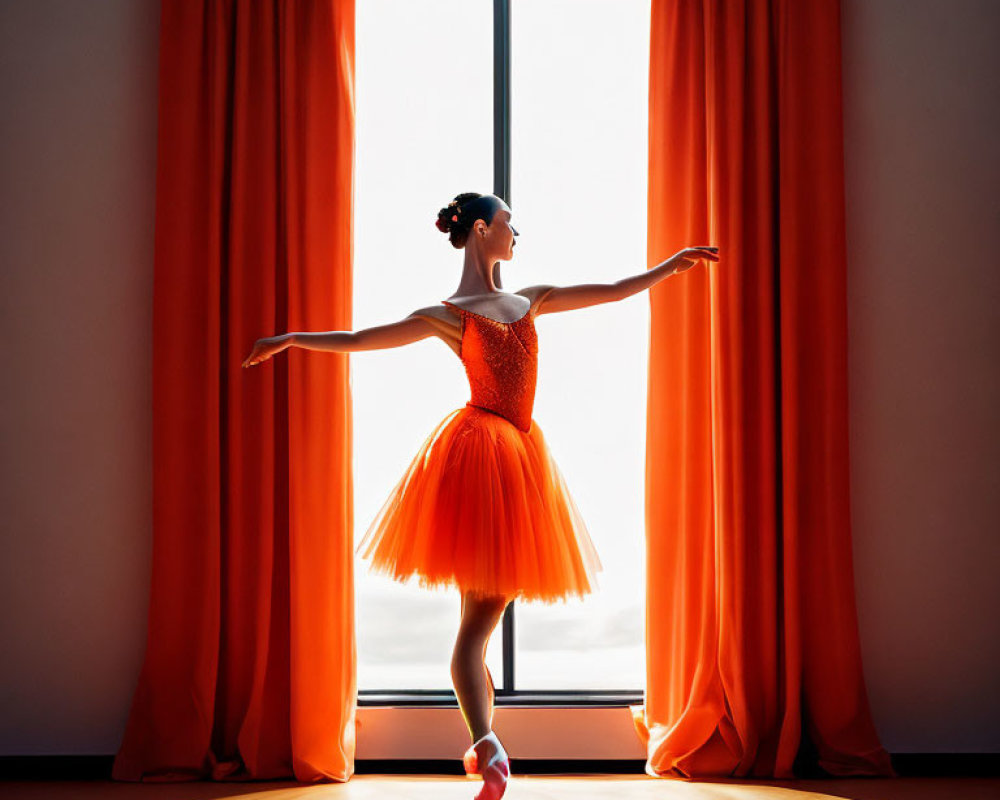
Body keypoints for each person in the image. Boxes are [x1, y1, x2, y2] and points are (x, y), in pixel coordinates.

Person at [243, 191, 719, 799]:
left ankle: (485, 747)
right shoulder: (451, 314)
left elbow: (610, 290)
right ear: (479, 230)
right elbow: (363, 338)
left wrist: (664, 267)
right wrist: (291, 338)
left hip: (506, 458)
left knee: (475, 631)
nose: (517, 234)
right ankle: (488, 747)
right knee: (475, 632)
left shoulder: (531, 299)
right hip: (488, 459)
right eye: (509, 224)